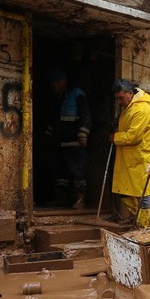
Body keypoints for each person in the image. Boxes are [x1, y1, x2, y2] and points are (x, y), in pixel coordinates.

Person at [111, 79, 150, 228]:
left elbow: (133, 136)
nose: (119, 102)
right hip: (128, 156)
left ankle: (142, 225)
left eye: (121, 98)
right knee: (123, 189)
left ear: (130, 93)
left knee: (142, 193)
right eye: (116, 98)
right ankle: (135, 217)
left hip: (141, 157)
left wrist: (115, 137)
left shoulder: (141, 110)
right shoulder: (129, 107)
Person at [44, 68, 91, 208]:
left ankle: (80, 199)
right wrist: (48, 134)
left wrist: (83, 134)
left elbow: (86, 115)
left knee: (77, 171)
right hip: (61, 142)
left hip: (74, 142)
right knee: (61, 172)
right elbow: (55, 119)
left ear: (62, 82)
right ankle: (61, 200)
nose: (52, 86)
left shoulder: (77, 94)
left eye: (54, 83)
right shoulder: (60, 97)